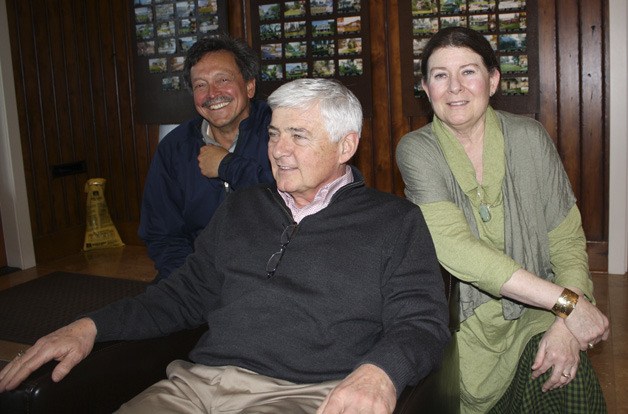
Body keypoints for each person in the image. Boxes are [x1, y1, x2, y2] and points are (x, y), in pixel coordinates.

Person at [0, 79, 450, 414]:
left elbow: (423, 323)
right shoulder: (242, 208)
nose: (279, 150)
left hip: (302, 394)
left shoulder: (394, 222)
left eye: (299, 135)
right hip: (194, 386)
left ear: (346, 145)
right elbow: (181, 295)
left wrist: (382, 371)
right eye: (274, 134)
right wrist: (89, 327)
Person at [396, 26, 610, 413]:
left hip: (535, 313)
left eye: (469, 72)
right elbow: (456, 248)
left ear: (493, 80)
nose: (455, 87)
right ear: (426, 89)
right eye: (440, 75)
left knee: (567, 381)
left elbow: (566, 241)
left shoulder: (530, 138)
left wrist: (564, 321)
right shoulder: (416, 150)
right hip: (465, 326)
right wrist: (569, 304)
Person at [139, 34, 274, 282]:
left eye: (223, 79)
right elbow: (162, 233)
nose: (212, 93)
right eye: (201, 85)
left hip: (274, 275)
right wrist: (190, 282)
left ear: (250, 86)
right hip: (201, 276)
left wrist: (227, 166)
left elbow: (296, 203)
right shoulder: (175, 149)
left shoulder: (281, 132)